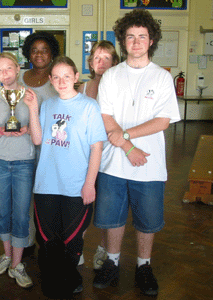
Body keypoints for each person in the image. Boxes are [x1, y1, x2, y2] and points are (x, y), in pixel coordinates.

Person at [92, 9, 180, 296]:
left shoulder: (162, 78)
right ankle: (112, 262)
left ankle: (144, 265)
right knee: (112, 218)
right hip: (113, 163)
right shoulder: (111, 76)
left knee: (147, 220)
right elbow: (106, 117)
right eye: (130, 36)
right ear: (123, 41)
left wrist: (126, 135)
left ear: (151, 40)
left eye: (142, 36)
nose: (136, 41)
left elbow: (162, 121)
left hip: (149, 165)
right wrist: (128, 147)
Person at [24, 56, 106, 297]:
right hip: (47, 184)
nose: (61, 81)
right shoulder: (48, 104)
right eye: (56, 77)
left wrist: (90, 184)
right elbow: (38, 139)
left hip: (76, 186)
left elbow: (97, 147)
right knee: (47, 239)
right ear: (50, 79)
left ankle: (71, 276)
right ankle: (51, 278)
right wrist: (32, 108)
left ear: (76, 77)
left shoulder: (89, 106)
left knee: (72, 239)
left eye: (66, 76)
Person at [0, 52, 35, 288]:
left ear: (18, 69)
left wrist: (28, 127)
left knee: (21, 214)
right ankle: (6, 255)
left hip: (24, 161)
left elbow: (38, 133)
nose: (4, 74)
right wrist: (2, 130)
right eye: (0, 70)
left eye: (8, 69)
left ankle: (17, 264)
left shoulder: (31, 96)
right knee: (3, 212)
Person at [78, 40, 120, 270]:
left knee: (106, 207)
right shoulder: (83, 88)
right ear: (91, 63)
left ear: (114, 62)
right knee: (81, 205)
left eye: (106, 58)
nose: (101, 62)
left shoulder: (119, 87)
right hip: (86, 158)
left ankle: (104, 248)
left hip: (111, 157)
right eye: (97, 58)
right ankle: (78, 246)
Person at [20, 30, 60, 256]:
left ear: (52, 53)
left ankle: (46, 238)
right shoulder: (20, 78)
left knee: (45, 197)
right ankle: (25, 240)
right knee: (25, 196)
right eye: (34, 50)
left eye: (44, 50)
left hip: (48, 148)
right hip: (22, 146)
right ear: (28, 53)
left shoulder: (57, 79)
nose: (39, 54)